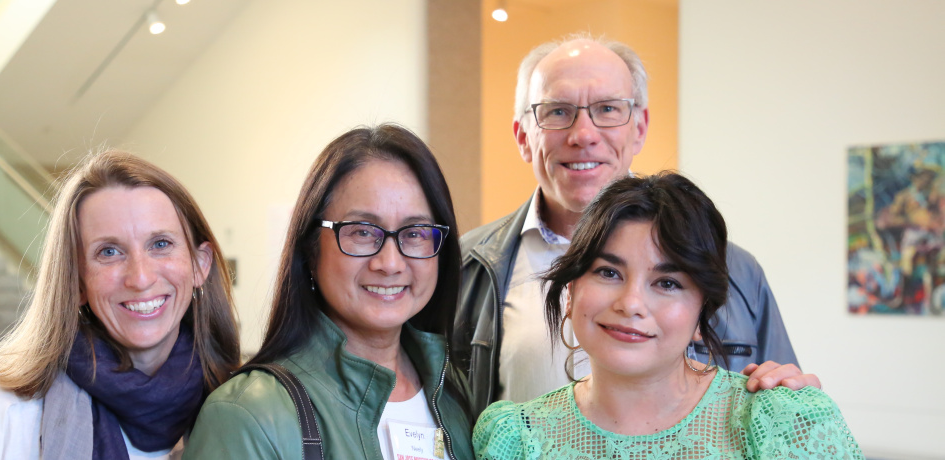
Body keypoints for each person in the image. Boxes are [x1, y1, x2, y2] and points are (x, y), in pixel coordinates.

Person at [454, 33, 810, 416]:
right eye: (557, 111)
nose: (584, 135)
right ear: (524, 136)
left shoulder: (736, 270)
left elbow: (783, 402)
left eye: (608, 109)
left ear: (639, 128)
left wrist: (788, 393)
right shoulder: (465, 266)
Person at [473, 172, 863, 459]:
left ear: (701, 313)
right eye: (609, 273)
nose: (631, 303)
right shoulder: (516, 437)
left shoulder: (777, 421)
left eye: (668, 283)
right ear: (571, 291)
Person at [0, 150, 241, 459]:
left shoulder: (243, 416)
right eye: (109, 252)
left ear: (200, 264)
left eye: (160, 244)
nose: (140, 278)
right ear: (77, 282)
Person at [183, 124, 474, 459]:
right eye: (363, 232)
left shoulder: (453, 394)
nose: (390, 262)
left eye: (415, 232)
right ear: (310, 249)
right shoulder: (247, 415)